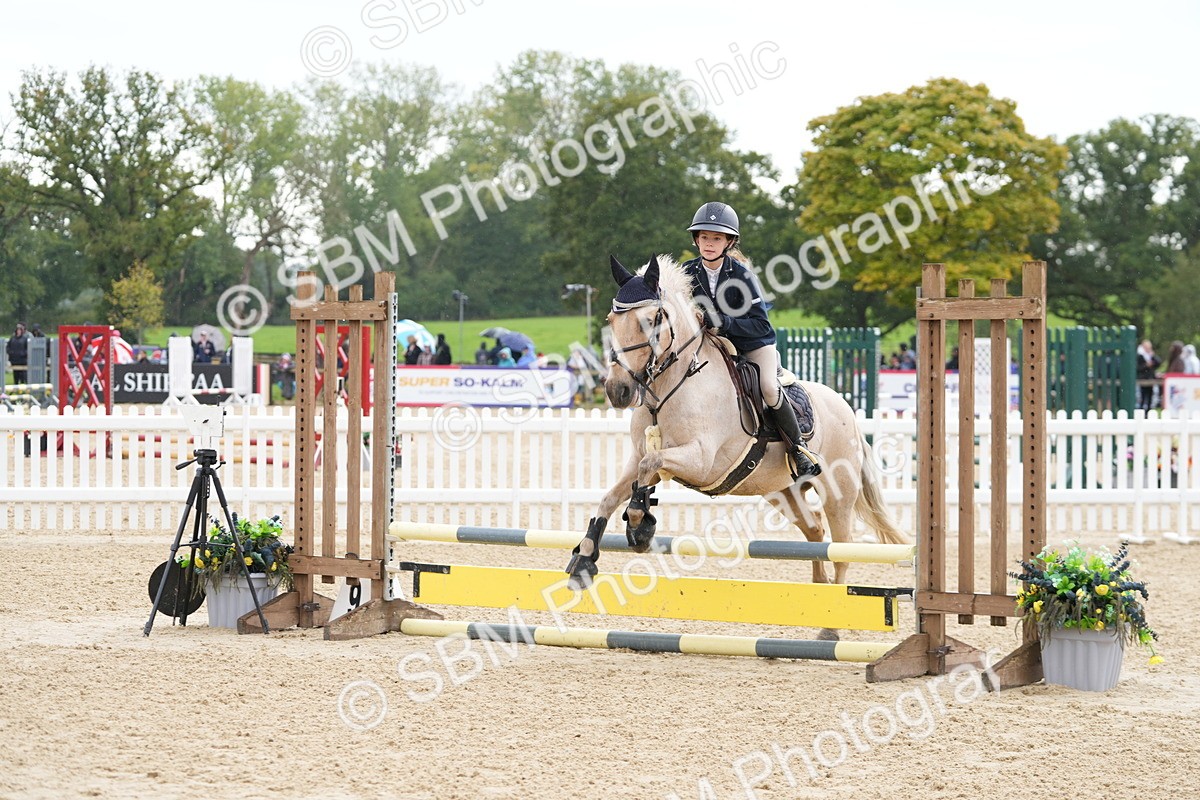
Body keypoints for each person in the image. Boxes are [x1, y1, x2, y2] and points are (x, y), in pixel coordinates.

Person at [682, 201, 819, 476]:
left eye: (716, 238)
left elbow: (761, 325)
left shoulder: (742, 275)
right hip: (714, 346)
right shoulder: (686, 272)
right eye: (704, 237)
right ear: (696, 240)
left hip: (753, 344)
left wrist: (725, 322)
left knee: (768, 387)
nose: (709, 244)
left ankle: (798, 449)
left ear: (729, 242)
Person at [1136, 339, 1161, 410]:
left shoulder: (1151, 356)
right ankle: (1141, 410)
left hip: (1150, 378)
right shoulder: (1140, 356)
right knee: (1142, 396)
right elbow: (1138, 368)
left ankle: (1148, 410)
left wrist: (1153, 355)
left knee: (1150, 396)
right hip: (1143, 379)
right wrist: (1146, 365)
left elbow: (1158, 362)